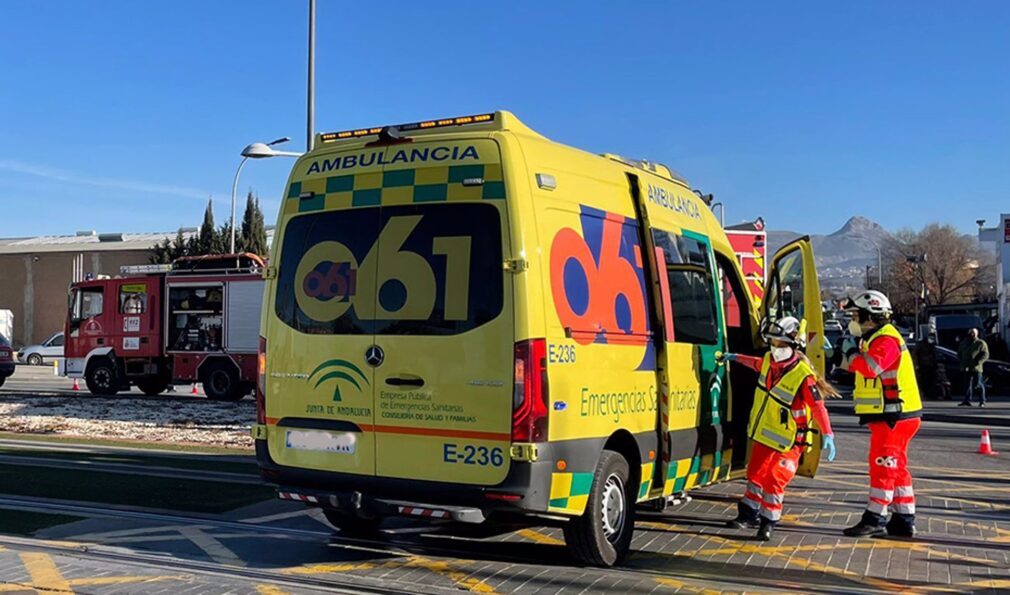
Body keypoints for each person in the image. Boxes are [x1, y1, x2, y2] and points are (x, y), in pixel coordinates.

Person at [719, 316, 837, 542]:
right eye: (773, 343)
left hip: (791, 440)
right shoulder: (768, 362)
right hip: (765, 434)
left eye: (781, 345)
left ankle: (768, 522)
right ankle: (748, 514)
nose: (775, 348)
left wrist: (828, 434)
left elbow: (818, 407)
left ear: (793, 346)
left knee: (775, 478)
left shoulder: (803, 375)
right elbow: (754, 363)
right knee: (755, 474)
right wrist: (734, 357)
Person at [839, 290, 921, 538]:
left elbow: (871, 368)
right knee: (897, 468)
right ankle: (904, 519)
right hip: (894, 415)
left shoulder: (886, 339)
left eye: (856, 315)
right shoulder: (876, 338)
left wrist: (852, 354)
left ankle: (875, 517)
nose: (853, 320)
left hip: (893, 416)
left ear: (870, 316)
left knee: (882, 467)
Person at [957, 328, 989, 407]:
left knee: (978, 384)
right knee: (967, 385)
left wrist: (978, 362)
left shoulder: (980, 343)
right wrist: (961, 361)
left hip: (976, 367)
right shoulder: (964, 343)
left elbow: (985, 354)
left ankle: (982, 401)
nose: (972, 334)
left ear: (977, 334)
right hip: (966, 367)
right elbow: (959, 352)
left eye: (973, 333)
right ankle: (966, 400)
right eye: (971, 333)